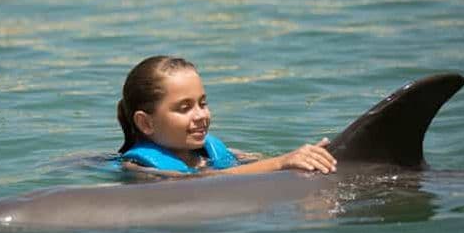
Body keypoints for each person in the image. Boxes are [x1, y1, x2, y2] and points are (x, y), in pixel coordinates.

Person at [117, 55, 337, 176]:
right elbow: (194, 183)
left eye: (203, 103)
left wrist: (306, 157)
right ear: (146, 123)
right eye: (184, 108)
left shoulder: (206, 153)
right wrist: (281, 162)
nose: (201, 115)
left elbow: (258, 161)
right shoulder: (138, 168)